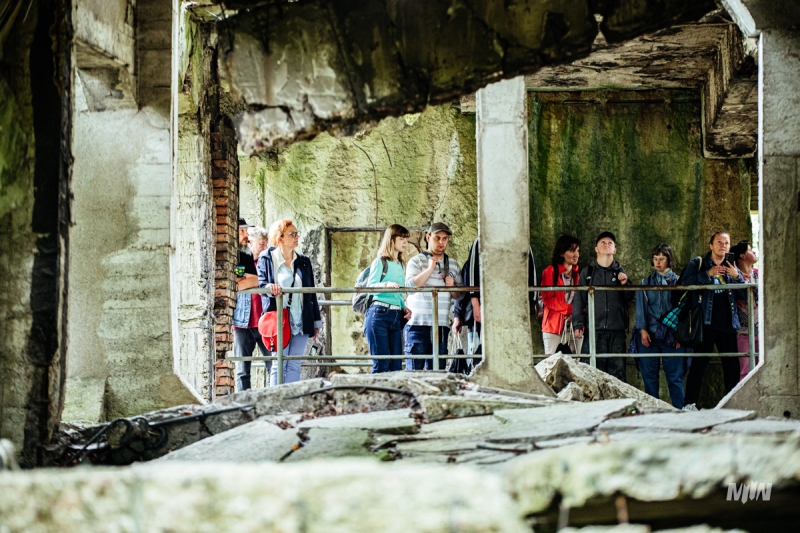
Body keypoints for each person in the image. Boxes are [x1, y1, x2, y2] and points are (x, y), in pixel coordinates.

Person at [681, 231, 744, 410]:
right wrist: (707, 274)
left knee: (731, 366)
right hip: (705, 323)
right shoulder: (699, 263)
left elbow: (742, 295)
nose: (723, 245)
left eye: (726, 243)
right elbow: (684, 284)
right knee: (699, 365)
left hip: (728, 324)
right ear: (711, 245)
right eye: (719, 242)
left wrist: (736, 277)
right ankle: (689, 404)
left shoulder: (732, 265)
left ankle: (732, 405)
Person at [257, 219, 321, 385]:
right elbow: (262, 283)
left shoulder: (304, 261)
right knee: (279, 364)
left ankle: (291, 403)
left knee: (294, 364)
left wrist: (316, 322)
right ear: (280, 238)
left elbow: (311, 292)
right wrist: (270, 287)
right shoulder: (267, 258)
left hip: (300, 318)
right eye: (292, 234)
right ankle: (275, 404)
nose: (297, 236)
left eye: (297, 233)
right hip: (278, 320)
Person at [458, 237, 539, 358]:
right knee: (488, 348)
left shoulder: (520, 237)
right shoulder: (481, 239)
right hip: (488, 304)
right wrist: (475, 303)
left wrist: (532, 301)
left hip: (513, 304)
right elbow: (472, 272)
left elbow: (531, 271)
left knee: (512, 347)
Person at [572, 231, 634, 382]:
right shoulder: (588, 272)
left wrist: (625, 284)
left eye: (610, 243)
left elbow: (630, 298)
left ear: (615, 249)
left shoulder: (620, 272)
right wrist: (578, 323)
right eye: (603, 243)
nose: (607, 245)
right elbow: (579, 299)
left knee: (617, 376)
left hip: (616, 332)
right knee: (591, 374)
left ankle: (617, 406)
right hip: (594, 331)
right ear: (596, 249)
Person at [404, 222, 463, 371]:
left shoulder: (453, 265)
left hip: (441, 325)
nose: (441, 242)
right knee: (414, 373)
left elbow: (459, 296)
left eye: (445, 238)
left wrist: (452, 287)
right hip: (417, 324)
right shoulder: (416, 261)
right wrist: (430, 268)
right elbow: (410, 287)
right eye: (437, 238)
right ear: (428, 237)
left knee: (438, 372)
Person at [633, 244, 686, 408]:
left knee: (675, 376)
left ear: (669, 259)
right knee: (649, 375)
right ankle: (652, 410)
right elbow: (640, 308)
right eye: (655, 259)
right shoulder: (645, 283)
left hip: (672, 337)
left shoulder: (680, 282)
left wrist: (680, 335)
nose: (658, 262)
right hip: (650, 335)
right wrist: (642, 331)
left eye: (662, 258)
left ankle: (678, 410)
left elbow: (685, 311)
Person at [364, 224, 413, 373]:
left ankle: (393, 397)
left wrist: (404, 306)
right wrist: (386, 284)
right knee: (382, 365)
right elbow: (370, 286)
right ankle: (377, 396)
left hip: (396, 316)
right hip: (379, 314)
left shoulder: (401, 265)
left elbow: (398, 292)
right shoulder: (380, 262)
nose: (405, 242)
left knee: (396, 366)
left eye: (406, 239)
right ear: (391, 240)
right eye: (401, 238)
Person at [233, 220, 271, 391]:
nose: (264, 247)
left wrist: (250, 280)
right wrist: (253, 280)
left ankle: (273, 400)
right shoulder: (240, 258)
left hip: (265, 323)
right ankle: (244, 405)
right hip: (242, 323)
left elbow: (255, 281)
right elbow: (237, 283)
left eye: (266, 243)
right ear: (250, 243)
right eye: (261, 243)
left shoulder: (268, 263)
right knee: (242, 370)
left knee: (274, 365)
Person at [541, 235, 581, 355]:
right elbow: (548, 299)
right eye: (572, 250)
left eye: (577, 250)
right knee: (554, 366)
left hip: (574, 326)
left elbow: (582, 299)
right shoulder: (550, 271)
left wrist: (577, 315)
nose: (576, 255)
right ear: (561, 253)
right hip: (554, 326)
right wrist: (571, 310)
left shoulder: (578, 274)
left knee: (576, 367)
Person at [730, 240, 758, 380]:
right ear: (742, 255)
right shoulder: (732, 277)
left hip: (761, 329)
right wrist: (736, 278)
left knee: (761, 368)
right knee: (745, 371)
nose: (754, 252)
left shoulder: (758, 274)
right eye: (751, 250)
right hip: (743, 330)